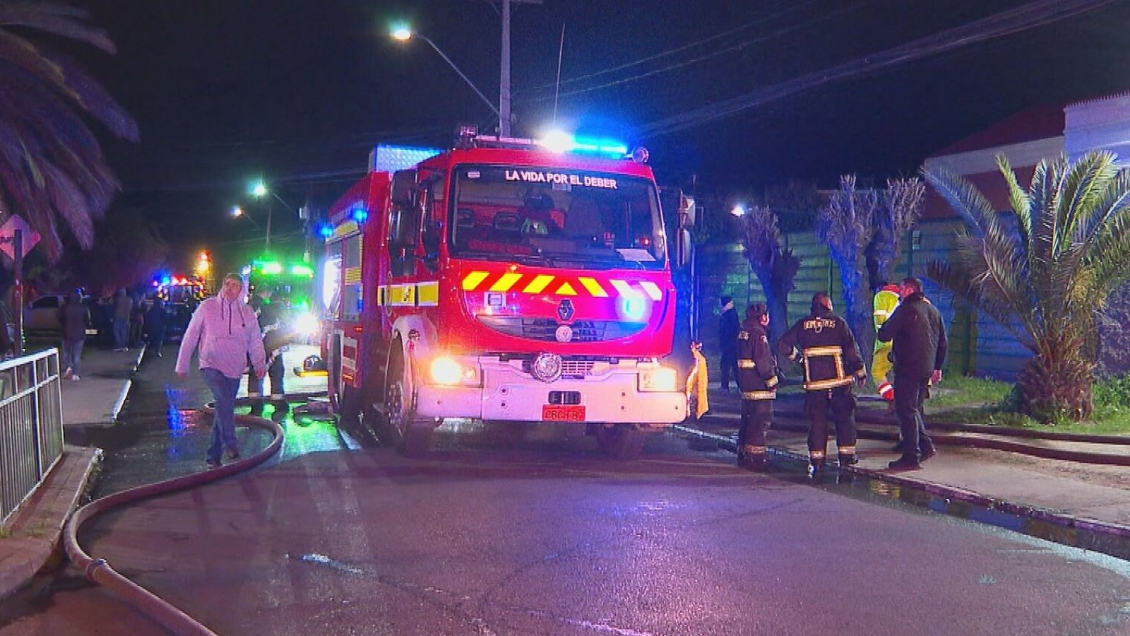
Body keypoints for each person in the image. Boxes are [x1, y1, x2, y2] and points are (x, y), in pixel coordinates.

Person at [176, 273, 266, 469]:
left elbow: (255, 341)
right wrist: (182, 364)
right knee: (223, 401)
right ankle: (231, 443)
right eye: (227, 284)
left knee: (223, 408)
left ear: (241, 290)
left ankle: (213, 456)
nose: (229, 288)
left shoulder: (248, 313)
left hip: (234, 368)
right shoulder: (208, 307)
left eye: (234, 285)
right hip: (211, 364)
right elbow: (191, 334)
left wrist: (260, 365)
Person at [779, 292, 867, 475]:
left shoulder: (802, 325)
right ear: (828, 305)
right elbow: (851, 350)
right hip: (840, 383)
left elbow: (783, 345)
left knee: (817, 422)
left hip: (815, 385)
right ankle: (847, 457)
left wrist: (799, 359)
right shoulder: (839, 323)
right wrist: (860, 372)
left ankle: (817, 459)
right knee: (844, 420)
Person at [877, 277, 948, 471]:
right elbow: (943, 342)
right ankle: (925, 447)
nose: (899, 293)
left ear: (909, 290)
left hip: (908, 368)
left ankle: (911, 457)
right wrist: (937, 367)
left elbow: (884, 334)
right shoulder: (933, 311)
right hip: (926, 368)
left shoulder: (906, 309)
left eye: (901, 290)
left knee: (905, 411)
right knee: (913, 409)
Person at [736, 303, 779, 471]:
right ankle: (756, 455)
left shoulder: (743, 332)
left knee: (747, 420)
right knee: (760, 421)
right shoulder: (758, 334)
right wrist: (772, 381)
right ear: (763, 317)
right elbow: (762, 361)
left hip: (746, 385)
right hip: (759, 386)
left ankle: (744, 451)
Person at [247, 286, 287, 400]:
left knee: (255, 374)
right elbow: (275, 326)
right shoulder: (266, 308)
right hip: (271, 346)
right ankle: (278, 402)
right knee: (277, 372)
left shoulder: (249, 306)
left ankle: (254, 402)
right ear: (266, 292)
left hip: (254, 348)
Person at [58, 291, 90, 381]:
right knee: (77, 355)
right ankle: (75, 374)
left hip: (66, 334)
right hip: (79, 334)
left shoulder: (65, 308)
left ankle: (68, 367)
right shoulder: (83, 308)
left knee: (66, 353)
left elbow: (60, 319)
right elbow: (87, 320)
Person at [718, 296, 740, 392]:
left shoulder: (729, 315)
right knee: (733, 366)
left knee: (726, 365)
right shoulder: (729, 314)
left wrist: (726, 341)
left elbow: (729, 331)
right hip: (731, 345)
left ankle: (725, 386)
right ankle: (740, 386)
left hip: (730, 345)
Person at [686, 340, 710, 419]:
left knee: (699, 388)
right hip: (694, 372)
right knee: (692, 387)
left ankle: (700, 409)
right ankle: (695, 409)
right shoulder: (698, 358)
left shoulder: (700, 358)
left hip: (698, 374)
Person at [112, 287, 132, 352]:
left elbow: (115, 308)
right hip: (126, 317)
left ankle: (119, 345)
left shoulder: (118, 299)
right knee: (124, 332)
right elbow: (130, 309)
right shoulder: (129, 299)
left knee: (116, 331)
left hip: (118, 317)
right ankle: (124, 345)